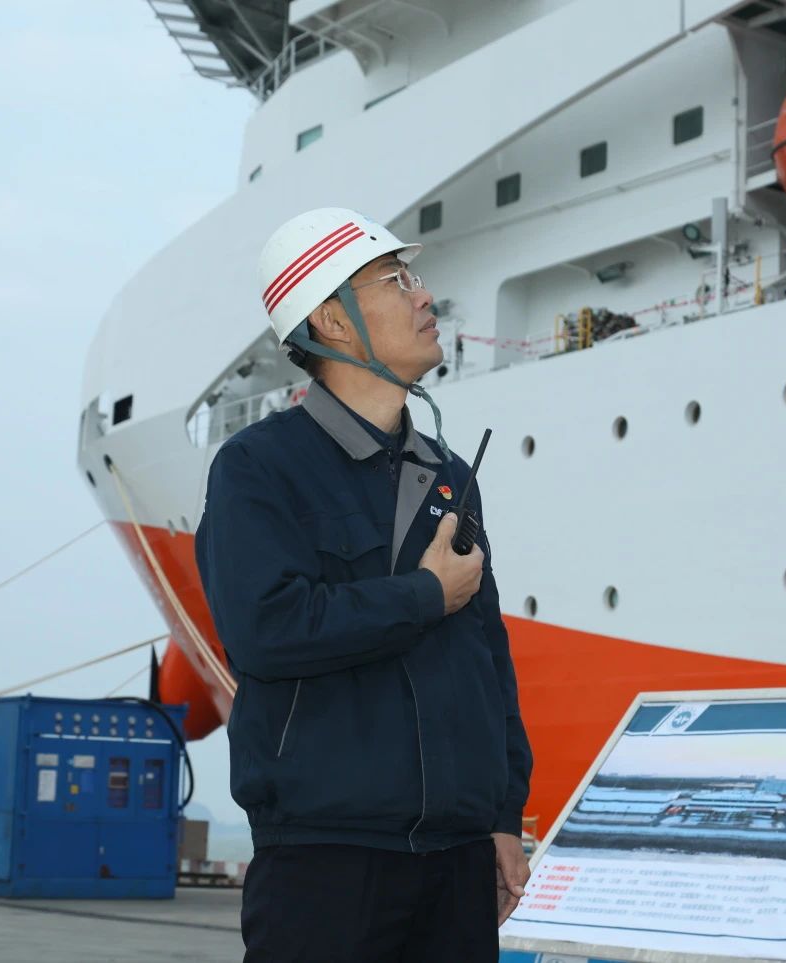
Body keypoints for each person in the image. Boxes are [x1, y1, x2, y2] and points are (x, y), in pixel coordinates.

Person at [194, 208, 533, 962]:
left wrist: (504, 815)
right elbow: (266, 628)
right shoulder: (259, 467)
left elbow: (488, 656)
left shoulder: (449, 474)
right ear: (333, 321)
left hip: (459, 861)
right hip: (327, 862)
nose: (424, 295)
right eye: (396, 280)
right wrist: (424, 594)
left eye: (415, 278)